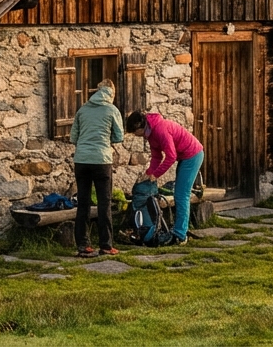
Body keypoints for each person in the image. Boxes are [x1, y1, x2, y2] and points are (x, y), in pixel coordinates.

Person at [125, 110, 205, 243]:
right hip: (184, 157)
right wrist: (149, 173)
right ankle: (179, 229)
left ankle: (180, 235)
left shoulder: (160, 129)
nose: (135, 135)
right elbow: (156, 157)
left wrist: (156, 175)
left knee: (181, 195)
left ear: (139, 127)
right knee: (180, 194)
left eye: (134, 132)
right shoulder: (150, 134)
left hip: (193, 155)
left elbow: (171, 156)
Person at [70, 78, 125, 257]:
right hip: (102, 160)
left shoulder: (82, 110)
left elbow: (73, 137)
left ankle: (83, 245)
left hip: (81, 160)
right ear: (111, 93)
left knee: (83, 203)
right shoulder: (112, 110)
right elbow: (119, 136)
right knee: (104, 203)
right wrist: (105, 140)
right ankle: (106, 245)